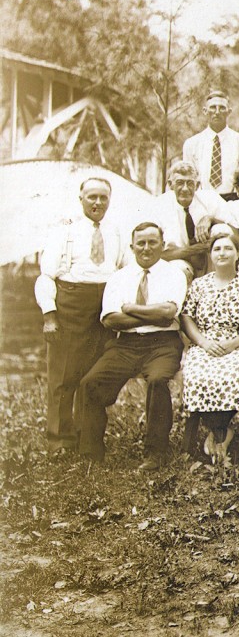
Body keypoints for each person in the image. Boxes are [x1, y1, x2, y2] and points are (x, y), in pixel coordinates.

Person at [78, 222, 187, 470]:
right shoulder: (119, 277)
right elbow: (110, 319)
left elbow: (168, 313)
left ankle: (156, 452)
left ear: (162, 244)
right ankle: (91, 454)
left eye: (152, 242)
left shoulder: (174, 273)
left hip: (163, 344)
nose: (146, 248)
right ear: (132, 246)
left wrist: (131, 309)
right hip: (125, 345)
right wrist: (151, 314)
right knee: (90, 383)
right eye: (141, 243)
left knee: (158, 379)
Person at [35, 177, 125, 454]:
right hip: (72, 302)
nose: (98, 203)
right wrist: (50, 316)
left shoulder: (115, 232)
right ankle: (60, 440)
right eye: (92, 197)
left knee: (93, 374)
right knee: (63, 373)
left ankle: (88, 439)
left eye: (103, 198)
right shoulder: (64, 232)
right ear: (81, 199)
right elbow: (47, 274)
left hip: (104, 305)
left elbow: (123, 268)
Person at [180, 231, 239, 466]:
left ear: (238, 254)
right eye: (217, 249)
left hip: (238, 344)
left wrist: (234, 343)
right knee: (196, 374)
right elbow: (186, 316)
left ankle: (219, 434)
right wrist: (203, 342)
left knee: (232, 375)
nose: (222, 253)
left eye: (228, 248)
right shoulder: (199, 284)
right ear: (211, 255)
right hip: (206, 343)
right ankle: (219, 434)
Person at [154, 160, 238, 279]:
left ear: (197, 185)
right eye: (179, 183)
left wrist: (211, 219)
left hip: (211, 262)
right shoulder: (158, 206)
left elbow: (236, 236)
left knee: (221, 228)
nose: (185, 188)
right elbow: (155, 254)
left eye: (190, 183)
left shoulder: (211, 199)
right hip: (180, 263)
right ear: (170, 184)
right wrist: (196, 249)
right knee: (178, 269)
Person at [182, 91, 239, 200]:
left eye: (222, 108)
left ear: (229, 112)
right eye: (213, 107)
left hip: (233, 200)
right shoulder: (192, 144)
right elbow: (188, 178)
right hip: (202, 200)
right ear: (205, 111)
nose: (217, 112)